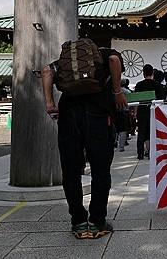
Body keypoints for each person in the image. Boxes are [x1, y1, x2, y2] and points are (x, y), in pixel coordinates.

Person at [41, 43, 126, 240]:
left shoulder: (64, 63)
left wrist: (50, 103)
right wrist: (116, 91)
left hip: (69, 115)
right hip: (98, 114)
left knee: (71, 170)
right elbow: (114, 61)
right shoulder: (107, 54)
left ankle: (78, 221)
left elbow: (46, 71)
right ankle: (97, 221)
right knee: (100, 169)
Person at [134, 64, 165, 160]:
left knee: (141, 132)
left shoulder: (139, 85)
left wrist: (135, 112)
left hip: (142, 110)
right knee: (153, 132)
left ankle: (140, 153)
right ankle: (152, 152)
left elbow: (136, 101)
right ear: (152, 73)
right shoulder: (158, 85)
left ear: (143, 73)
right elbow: (161, 100)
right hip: (153, 111)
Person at [116, 78, 132, 152]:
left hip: (116, 111)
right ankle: (121, 146)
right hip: (124, 111)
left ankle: (115, 142)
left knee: (116, 129)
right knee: (123, 129)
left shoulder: (114, 91)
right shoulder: (127, 92)